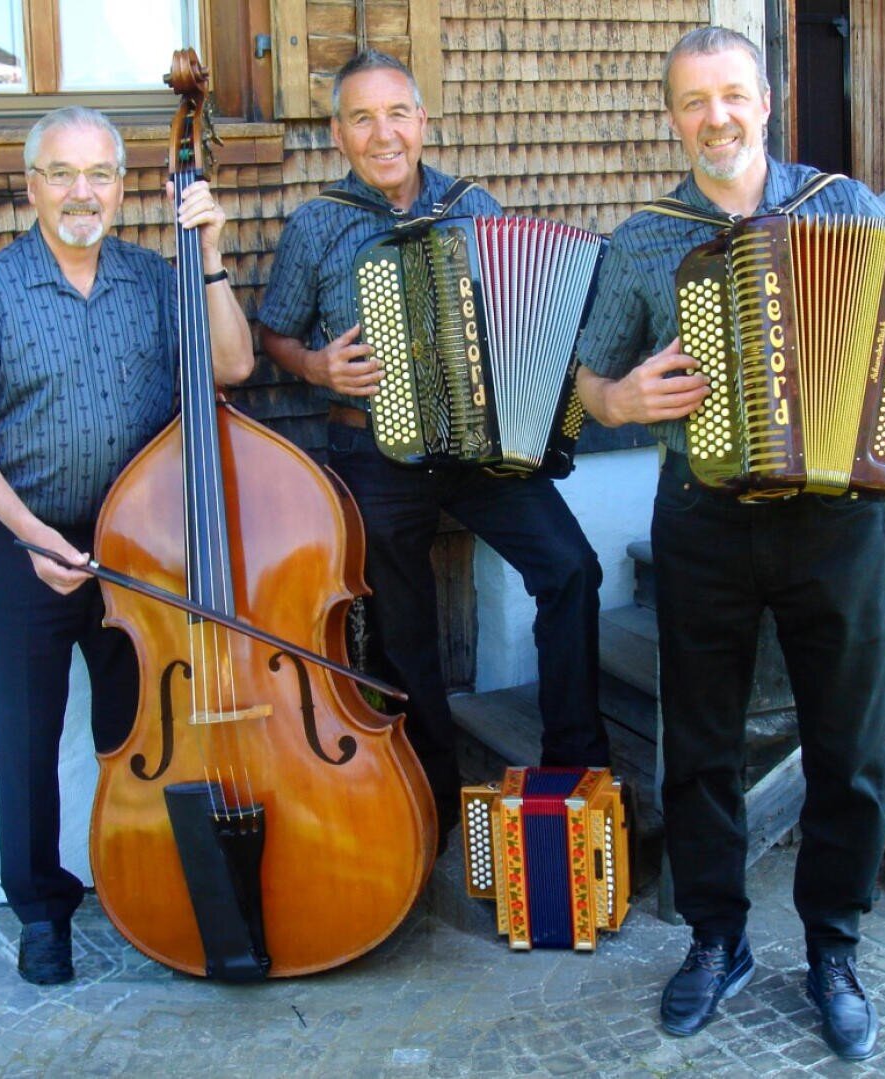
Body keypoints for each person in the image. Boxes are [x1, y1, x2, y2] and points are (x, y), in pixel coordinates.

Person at [573, 27, 885, 1058]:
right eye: (695, 101)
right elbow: (584, 379)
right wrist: (616, 394)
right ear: (673, 118)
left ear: (767, 99)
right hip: (701, 519)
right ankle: (716, 936)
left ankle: (832, 945)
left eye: (733, 95)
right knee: (697, 742)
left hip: (836, 518)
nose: (717, 118)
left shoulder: (843, 206)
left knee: (850, 743)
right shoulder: (644, 240)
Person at [0, 106, 254, 985]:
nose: (81, 192)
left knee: (137, 726)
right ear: (31, 185)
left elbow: (234, 366)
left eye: (99, 174)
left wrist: (210, 254)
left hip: (134, 547)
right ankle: (42, 910)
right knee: (25, 738)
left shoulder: (155, 276)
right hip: (15, 546)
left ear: (121, 185)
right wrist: (32, 536)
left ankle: (143, 881)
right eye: (61, 173)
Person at [257, 50, 610, 843]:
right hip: (371, 454)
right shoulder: (318, 224)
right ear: (338, 134)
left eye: (396, 114)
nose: (382, 133)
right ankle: (431, 801)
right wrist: (314, 364)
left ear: (421, 122)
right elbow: (275, 331)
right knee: (401, 629)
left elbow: (521, 304)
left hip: (480, 448)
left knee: (570, 569)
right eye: (361, 118)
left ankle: (573, 769)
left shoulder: (471, 204)